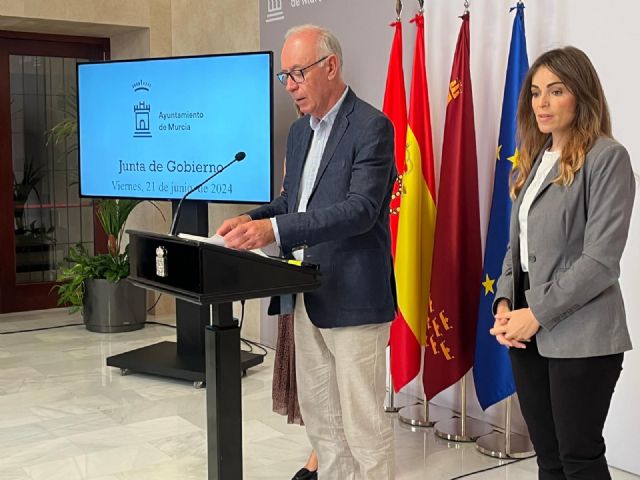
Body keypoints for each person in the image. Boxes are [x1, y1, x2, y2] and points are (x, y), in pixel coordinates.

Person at [217, 24, 396, 480]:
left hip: (355, 298)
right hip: (304, 295)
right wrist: (251, 218)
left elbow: (359, 210)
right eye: (285, 76)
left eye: (297, 73)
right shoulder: (300, 133)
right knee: (324, 426)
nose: (290, 85)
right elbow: (291, 202)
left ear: (330, 66)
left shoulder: (372, 126)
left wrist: (273, 229)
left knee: (365, 430)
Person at [490, 46, 635, 480]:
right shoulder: (536, 160)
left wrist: (535, 313)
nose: (543, 103)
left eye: (556, 91)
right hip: (527, 331)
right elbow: (517, 247)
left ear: (581, 95)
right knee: (548, 459)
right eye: (536, 93)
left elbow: (601, 261)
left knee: (579, 458)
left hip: (583, 335)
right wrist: (504, 303)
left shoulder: (608, 158)